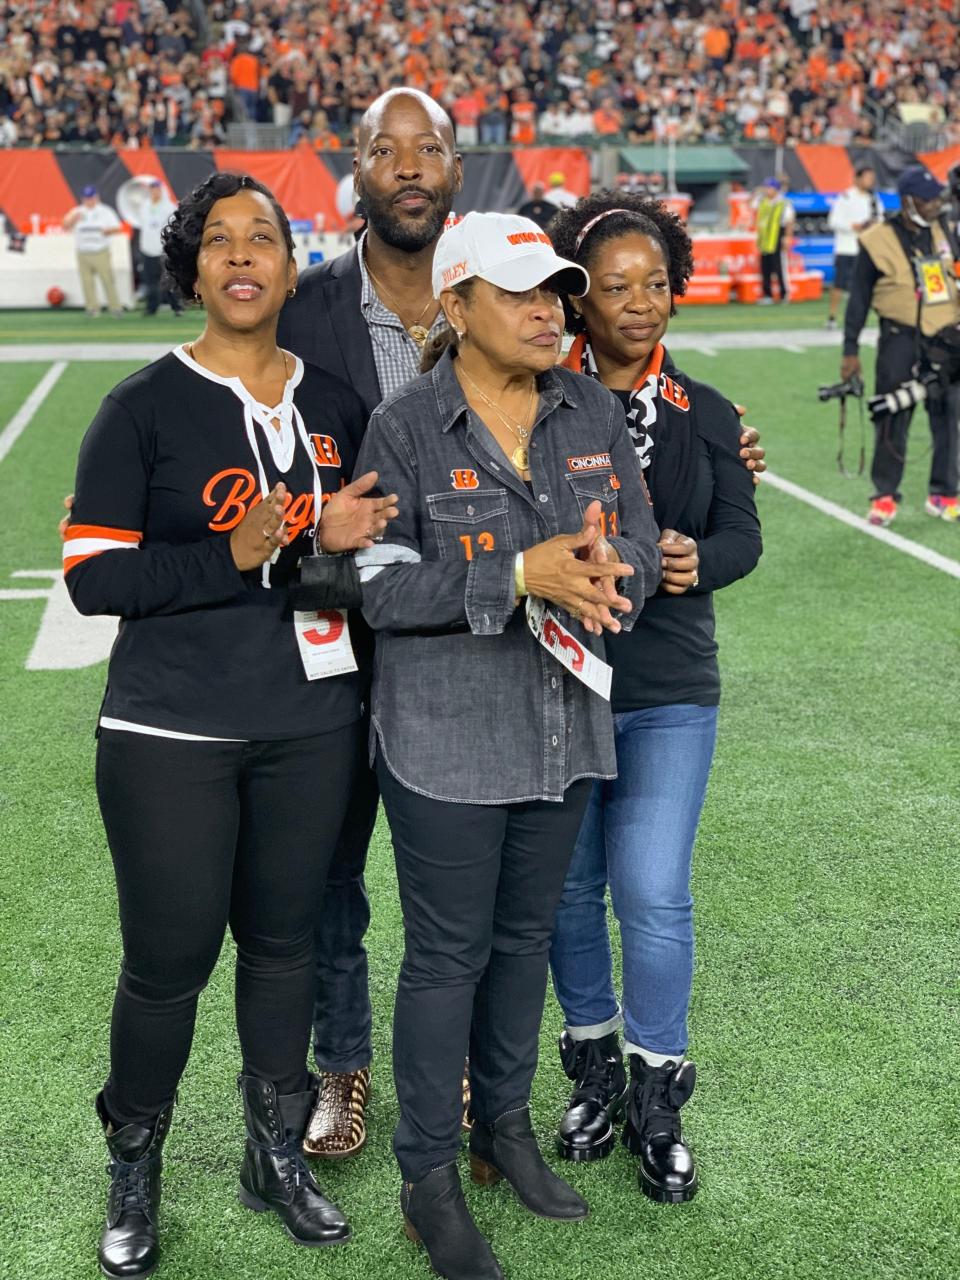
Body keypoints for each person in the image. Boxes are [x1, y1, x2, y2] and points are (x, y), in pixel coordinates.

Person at [65, 171, 398, 1278]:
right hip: (172, 730)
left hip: (310, 719)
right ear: (193, 266)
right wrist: (235, 553)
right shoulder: (143, 405)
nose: (245, 254)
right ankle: (135, 1168)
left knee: (284, 946)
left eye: (265, 237)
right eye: (222, 241)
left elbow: (362, 556)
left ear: (292, 265)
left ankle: (273, 1152)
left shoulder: (336, 407)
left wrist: (327, 547)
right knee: (167, 964)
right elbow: (91, 577)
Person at [352, 211, 662, 1279]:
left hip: (562, 724)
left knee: (524, 941)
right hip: (444, 734)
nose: (549, 308)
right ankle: (427, 1177)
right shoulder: (402, 424)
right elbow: (380, 586)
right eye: (523, 291)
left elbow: (643, 544)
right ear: (456, 306)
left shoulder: (589, 405)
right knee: (448, 956)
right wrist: (519, 574)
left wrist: (606, 560)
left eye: (555, 290)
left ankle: (506, 1134)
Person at [545, 193, 762, 1203]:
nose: (641, 304)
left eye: (658, 284)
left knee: (652, 889)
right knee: (566, 893)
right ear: (578, 300)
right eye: (617, 287)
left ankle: (658, 1092)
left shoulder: (709, 411)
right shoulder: (537, 399)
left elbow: (741, 535)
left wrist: (694, 559)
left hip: (671, 685)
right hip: (558, 679)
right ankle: (591, 1073)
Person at [276, 86, 464, 1158]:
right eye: (385, 150)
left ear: (455, 169)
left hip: (466, 636)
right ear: (354, 168)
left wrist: (713, 449)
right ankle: (341, 1063)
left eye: (426, 149)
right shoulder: (304, 305)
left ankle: (466, 1067)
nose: (406, 167)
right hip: (337, 636)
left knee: (455, 875)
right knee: (332, 874)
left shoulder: (491, 289)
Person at [841, 165, 960, 525]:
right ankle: (885, 496)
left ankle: (944, 492)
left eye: (937, 198)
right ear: (908, 201)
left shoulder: (944, 230)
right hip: (900, 339)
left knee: (950, 416)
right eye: (927, 200)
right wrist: (850, 350)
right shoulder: (877, 239)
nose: (935, 205)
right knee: (893, 417)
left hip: (946, 339)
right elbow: (858, 300)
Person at [826, 165, 880, 330]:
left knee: (869, 285)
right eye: (867, 177)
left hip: (866, 248)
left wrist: (872, 226)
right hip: (846, 247)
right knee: (839, 284)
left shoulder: (873, 199)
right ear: (857, 179)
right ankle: (832, 316)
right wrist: (853, 226)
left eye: (872, 178)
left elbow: (881, 219)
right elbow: (833, 221)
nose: (870, 181)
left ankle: (866, 317)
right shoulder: (845, 197)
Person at [63, 185, 125, 317]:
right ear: (82, 199)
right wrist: (72, 220)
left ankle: (115, 307)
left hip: (100, 251)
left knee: (107, 280)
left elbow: (117, 227)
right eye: (86, 198)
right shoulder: (77, 212)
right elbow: (65, 226)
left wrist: (107, 231)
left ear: (96, 197)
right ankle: (92, 308)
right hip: (83, 252)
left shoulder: (105, 211)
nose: (89, 201)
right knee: (87, 282)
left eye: (91, 198)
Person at [135, 178, 182, 316]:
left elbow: (174, 227)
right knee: (150, 280)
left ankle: (176, 307)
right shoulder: (144, 206)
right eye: (152, 189)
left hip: (163, 249)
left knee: (168, 280)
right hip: (147, 247)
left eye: (156, 189)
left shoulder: (169, 207)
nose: (154, 192)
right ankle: (151, 307)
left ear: (161, 190)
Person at [754, 177, 795, 304]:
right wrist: (757, 191)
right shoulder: (762, 201)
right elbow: (750, 203)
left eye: (769, 188)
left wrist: (788, 237)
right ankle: (767, 295)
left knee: (779, 268)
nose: (767, 190)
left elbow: (789, 221)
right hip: (765, 240)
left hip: (777, 238)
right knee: (765, 268)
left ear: (776, 189)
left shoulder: (783, 203)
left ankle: (784, 294)